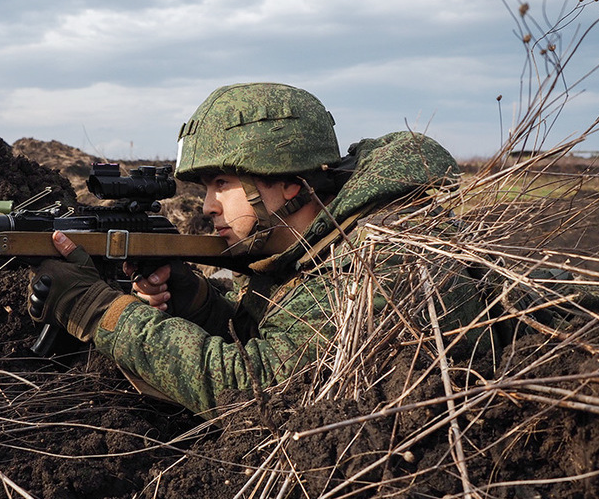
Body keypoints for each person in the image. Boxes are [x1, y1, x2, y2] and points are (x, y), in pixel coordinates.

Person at [28, 82, 499, 417]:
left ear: (290, 185)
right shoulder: (306, 252)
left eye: (222, 184)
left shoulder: (374, 264)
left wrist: (99, 309)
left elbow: (253, 391)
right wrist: (200, 302)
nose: (209, 205)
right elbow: (276, 334)